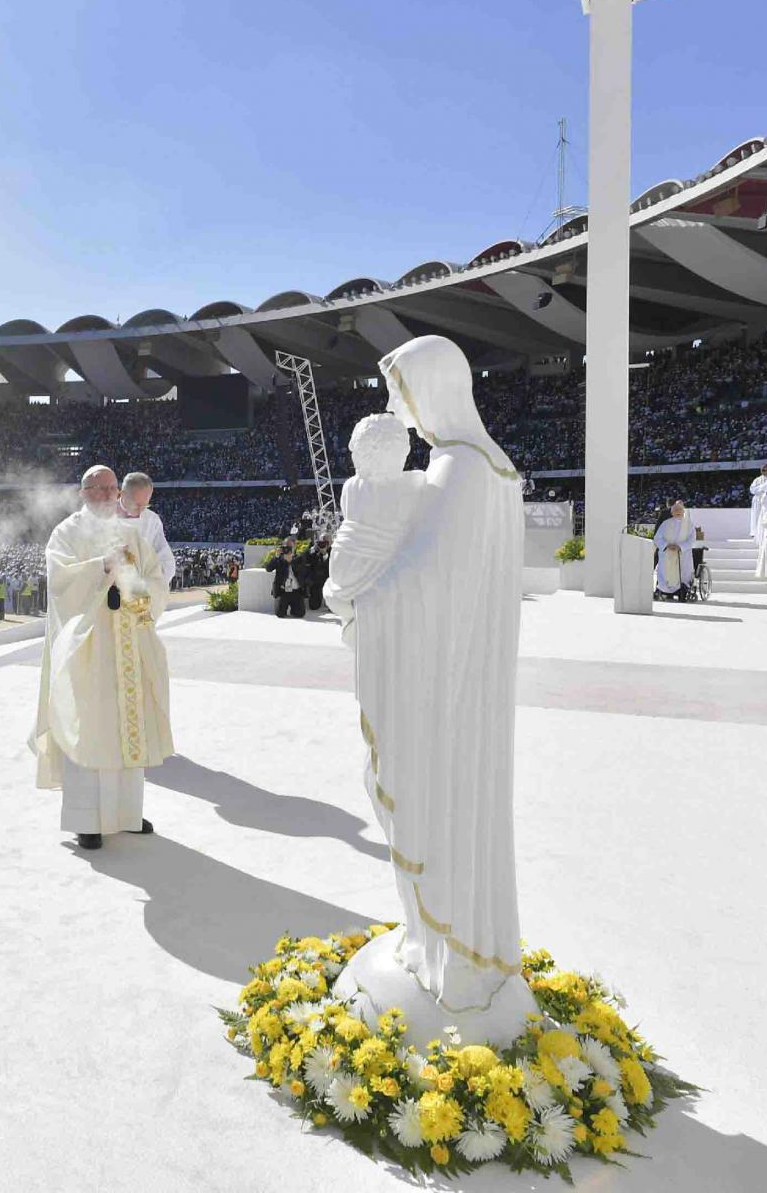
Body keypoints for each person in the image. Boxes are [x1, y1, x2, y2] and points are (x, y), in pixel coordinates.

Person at [324, 336, 536, 1043]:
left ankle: (448, 950)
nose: (398, 412)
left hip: (435, 683)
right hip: (457, 675)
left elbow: (428, 579)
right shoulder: (485, 466)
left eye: (402, 394)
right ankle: (436, 937)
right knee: (428, 804)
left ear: (433, 389)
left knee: (422, 801)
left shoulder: (461, 468)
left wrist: (355, 597)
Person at [31, 465, 174, 850]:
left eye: (112, 489)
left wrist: (137, 590)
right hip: (87, 650)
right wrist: (102, 568)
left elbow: (155, 580)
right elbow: (60, 583)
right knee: (89, 728)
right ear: (83, 492)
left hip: (126, 645)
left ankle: (126, 813)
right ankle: (86, 821)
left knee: (126, 727)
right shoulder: (66, 533)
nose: (107, 496)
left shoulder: (131, 533)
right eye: (98, 489)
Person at [116, 471, 178, 588]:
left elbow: (166, 559)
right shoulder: (103, 515)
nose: (140, 511)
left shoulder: (152, 520)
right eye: (136, 505)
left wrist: (153, 585)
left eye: (145, 505)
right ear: (122, 494)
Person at [652, 500, 696, 599]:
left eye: (680, 509)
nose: (678, 512)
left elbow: (692, 539)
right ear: (671, 512)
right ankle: (664, 590)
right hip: (668, 553)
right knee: (666, 572)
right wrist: (666, 545)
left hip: (682, 555)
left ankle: (683, 589)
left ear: (683, 511)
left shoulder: (689, 524)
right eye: (675, 510)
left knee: (682, 573)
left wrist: (680, 546)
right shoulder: (665, 524)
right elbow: (657, 538)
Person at [265, 540, 306, 618]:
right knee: (279, 614)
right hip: (282, 591)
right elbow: (268, 569)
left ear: (294, 547)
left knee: (300, 613)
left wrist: (291, 561)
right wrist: (276, 557)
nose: (288, 549)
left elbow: (303, 571)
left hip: (296, 591)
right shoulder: (279, 559)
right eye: (285, 547)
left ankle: (294, 608)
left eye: (290, 547)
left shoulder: (299, 558)